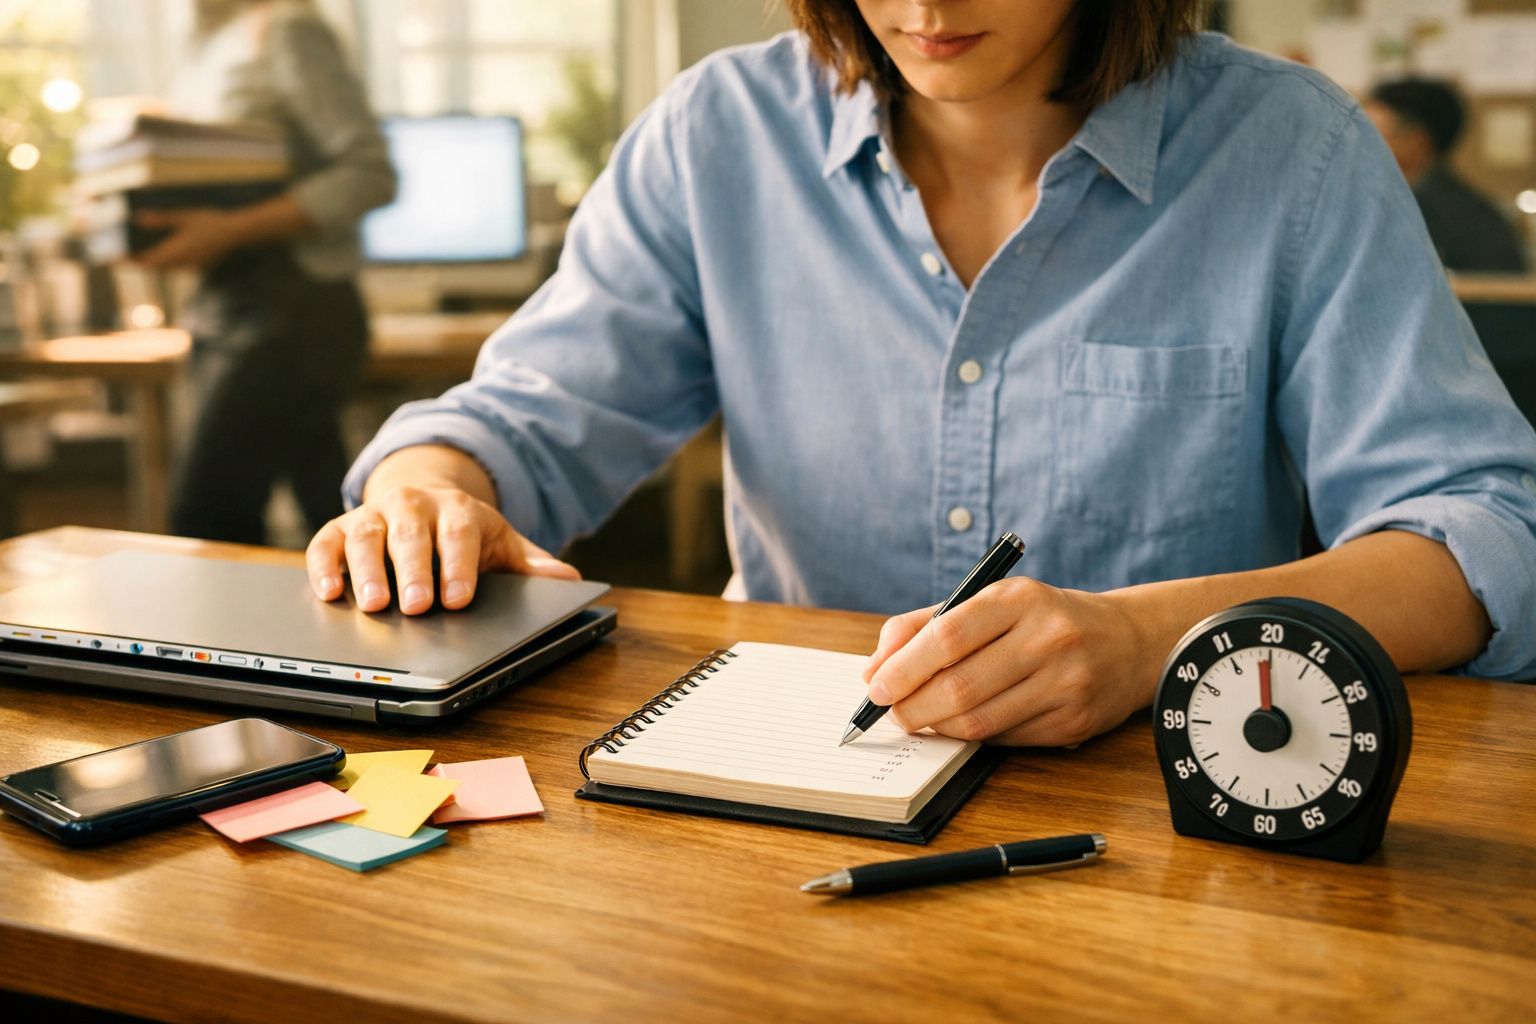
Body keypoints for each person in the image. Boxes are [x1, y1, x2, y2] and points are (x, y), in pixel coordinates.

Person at [309, 0, 1536, 748]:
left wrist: (1148, 639)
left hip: (1167, 825)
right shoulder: (718, 134)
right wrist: (430, 491)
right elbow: (515, 424)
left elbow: (1492, 534)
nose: (923, 0)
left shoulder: (1292, 150)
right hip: (773, 795)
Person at [136, 0, 396, 544]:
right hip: (224, 302)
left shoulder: (289, 29)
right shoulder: (205, 45)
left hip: (291, 309)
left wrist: (226, 230)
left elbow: (371, 173)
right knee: (332, 515)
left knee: (206, 519)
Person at [1365, 76, 1536, 422]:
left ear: (1415, 140)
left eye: (1372, 131)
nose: (1361, 144)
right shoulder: (1454, 199)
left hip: (1482, 385)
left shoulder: (1427, 209)